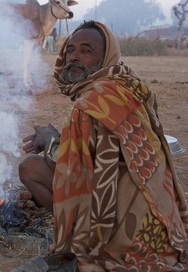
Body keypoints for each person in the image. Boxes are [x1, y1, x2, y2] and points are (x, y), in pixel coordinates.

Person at [19, 20, 188, 270]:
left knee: (30, 167)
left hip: (126, 227)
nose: (74, 57)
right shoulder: (126, 84)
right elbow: (103, 149)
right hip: (161, 213)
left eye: (87, 51)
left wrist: (51, 140)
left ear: (105, 56)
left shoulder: (93, 101)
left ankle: (83, 240)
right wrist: (56, 137)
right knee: (32, 166)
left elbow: (84, 169)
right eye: (71, 49)